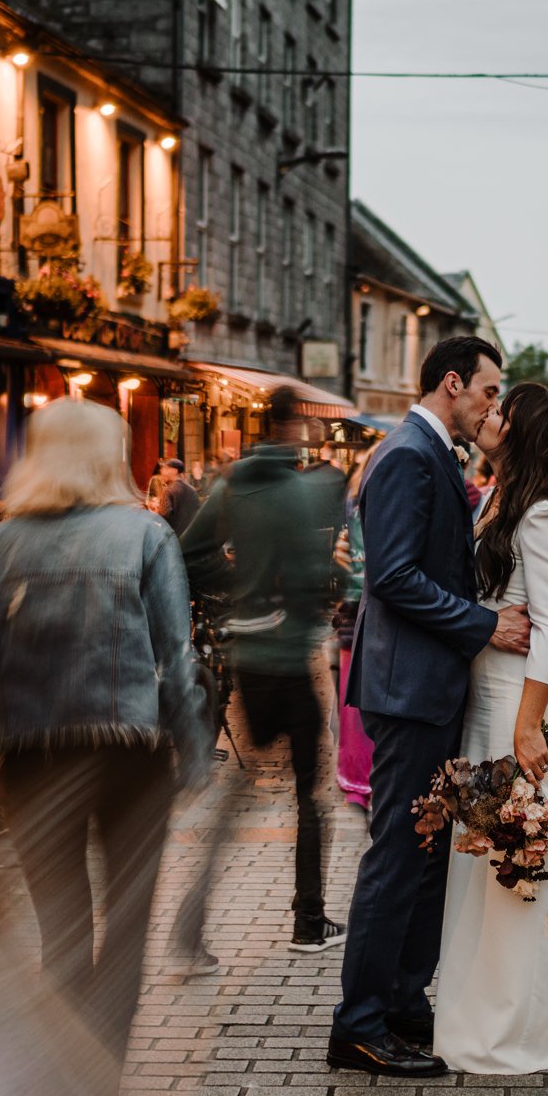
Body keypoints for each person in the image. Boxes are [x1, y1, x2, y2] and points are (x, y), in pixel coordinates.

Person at [0, 399, 206, 1057]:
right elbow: (174, 654)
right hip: (129, 752)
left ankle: (64, 1087)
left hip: (30, 756)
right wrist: (193, 744)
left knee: (61, 933)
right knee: (126, 931)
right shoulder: (146, 534)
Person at [330, 336, 526, 1078]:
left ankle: (406, 1004)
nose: (492, 404)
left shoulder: (429, 450)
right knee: (396, 856)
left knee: (428, 854)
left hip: (428, 686)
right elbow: (397, 578)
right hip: (409, 690)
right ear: (454, 382)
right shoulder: (409, 452)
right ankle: (358, 1023)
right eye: (488, 390)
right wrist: (485, 624)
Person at [435, 383, 548, 1075]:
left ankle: (516, 1023)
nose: (491, 415)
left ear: (527, 432)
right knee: (484, 848)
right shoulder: (499, 500)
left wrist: (525, 728)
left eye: (504, 410)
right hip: (492, 695)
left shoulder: (547, 518)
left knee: (517, 855)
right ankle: (476, 1007)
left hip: (524, 702)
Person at [180, 386, 347, 954]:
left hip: (247, 657)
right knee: (309, 793)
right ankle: (309, 919)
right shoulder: (304, 492)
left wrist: (239, 591)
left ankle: (193, 916)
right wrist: (338, 580)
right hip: (290, 657)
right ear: (296, 425)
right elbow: (312, 578)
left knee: (242, 789)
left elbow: (191, 552)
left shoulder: (231, 482)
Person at [332, 445, 375, 809]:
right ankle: (365, 777)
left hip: (350, 613)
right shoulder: (380, 503)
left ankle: (355, 779)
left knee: (351, 704)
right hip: (372, 613)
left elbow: (344, 559)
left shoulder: (352, 504)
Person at [156, 459, 201, 536]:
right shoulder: (192, 490)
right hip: (190, 536)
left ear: (174, 471)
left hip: (175, 537)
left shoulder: (169, 491)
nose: (162, 471)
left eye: (165, 468)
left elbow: (163, 515)